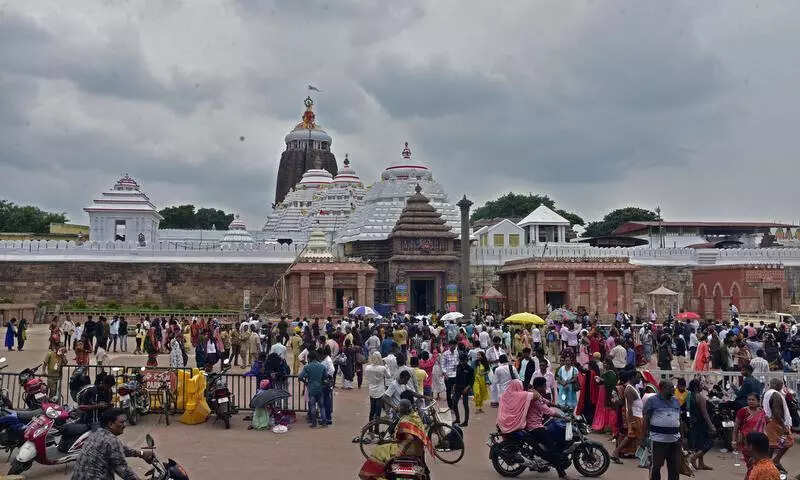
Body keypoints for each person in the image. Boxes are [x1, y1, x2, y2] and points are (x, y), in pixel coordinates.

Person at [71, 407, 154, 480]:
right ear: (110, 424)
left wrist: (141, 453)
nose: (124, 425)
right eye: (121, 422)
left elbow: (119, 449)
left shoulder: (97, 433)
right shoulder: (111, 441)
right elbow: (124, 470)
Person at [358, 398, 430, 480]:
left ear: (402, 410)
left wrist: (400, 451)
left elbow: (409, 438)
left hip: (408, 451)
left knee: (379, 450)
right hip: (418, 451)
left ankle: (372, 475)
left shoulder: (405, 421)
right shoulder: (415, 417)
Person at [643, 380, 681, 480]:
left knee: (674, 468)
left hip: (674, 441)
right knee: (655, 467)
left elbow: (678, 419)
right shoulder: (652, 401)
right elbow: (646, 419)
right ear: (662, 389)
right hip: (658, 441)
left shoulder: (676, 401)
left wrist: (681, 438)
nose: (673, 389)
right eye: (670, 387)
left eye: (673, 387)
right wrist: (644, 437)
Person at [612, 370, 643, 463]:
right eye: (638, 377)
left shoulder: (633, 387)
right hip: (635, 416)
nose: (640, 379)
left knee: (633, 436)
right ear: (632, 378)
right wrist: (631, 421)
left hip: (638, 415)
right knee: (633, 436)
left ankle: (616, 452)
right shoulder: (629, 389)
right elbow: (628, 406)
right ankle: (616, 452)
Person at [763, 378, 793, 474]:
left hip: (769, 421)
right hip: (776, 422)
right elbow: (776, 412)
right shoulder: (775, 394)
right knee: (788, 441)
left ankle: (768, 464)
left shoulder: (766, 393)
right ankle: (773, 462)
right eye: (782, 385)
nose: (782, 387)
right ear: (778, 385)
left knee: (772, 444)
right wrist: (784, 427)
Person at [686, 379, 716, 470]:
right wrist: (711, 426)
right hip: (701, 423)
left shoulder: (689, 396)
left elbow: (688, 410)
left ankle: (701, 463)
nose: (702, 386)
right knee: (710, 442)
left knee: (700, 444)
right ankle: (694, 458)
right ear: (696, 387)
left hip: (693, 422)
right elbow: (705, 414)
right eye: (700, 385)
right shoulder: (700, 397)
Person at [734, 392, 767, 471]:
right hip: (747, 442)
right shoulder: (742, 411)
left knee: (758, 464)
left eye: (753, 400)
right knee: (750, 465)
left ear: (758, 401)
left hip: (759, 442)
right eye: (749, 400)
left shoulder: (762, 412)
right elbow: (736, 427)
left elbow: (765, 426)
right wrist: (734, 440)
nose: (750, 401)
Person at [299, 350, 328, 428]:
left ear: (309, 358)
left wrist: (306, 382)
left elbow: (300, 377)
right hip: (320, 388)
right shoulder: (322, 366)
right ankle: (324, 423)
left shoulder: (307, 367)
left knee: (312, 406)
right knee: (322, 406)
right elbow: (326, 377)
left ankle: (314, 423)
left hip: (311, 388)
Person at [364, 352, 391, 433]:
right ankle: (376, 429)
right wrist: (387, 367)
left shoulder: (368, 367)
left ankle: (370, 429)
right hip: (380, 391)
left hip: (371, 390)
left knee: (372, 411)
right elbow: (388, 376)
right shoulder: (382, 368)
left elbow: (367, 377)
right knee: (378, 412)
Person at [452, 352, 474, 427]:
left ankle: (466, 422)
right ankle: (457, 419)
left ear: (466, 360)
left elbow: (472, 381)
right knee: (454, 403)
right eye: (461, 361)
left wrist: (467, 388)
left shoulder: (470, 369)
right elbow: (457, 376)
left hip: (465, 389)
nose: (462, 362)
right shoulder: (458, 366)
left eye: (463, 361)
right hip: (458, 387)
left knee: (465, 405)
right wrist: (454, 384)